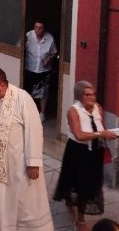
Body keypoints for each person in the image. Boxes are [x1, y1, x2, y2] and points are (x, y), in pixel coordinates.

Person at [0, 66, 54, 231]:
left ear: (2, 85)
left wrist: (33, 162)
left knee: (22, 202)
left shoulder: (22, 99)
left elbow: (34, 130)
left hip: (17, 165)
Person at [53, 81, 117, 231]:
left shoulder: (98, 109)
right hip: (78, 151)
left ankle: (75, 204)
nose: (92, 97)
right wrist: (102, 133)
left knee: (91, 183)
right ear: (79, 96)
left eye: (93, 94)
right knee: (79, 182)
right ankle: (80, 220)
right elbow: (79, 135)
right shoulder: (73, 111)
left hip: (95, 152)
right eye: (87, 95)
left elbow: (100, 128)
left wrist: (109, 135)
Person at [24, 19, 58, 122]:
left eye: (40, 28)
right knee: (30, 92)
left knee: (43, 93)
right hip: (30, 68)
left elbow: (54, 52)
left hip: (44, 70)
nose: (37, 30)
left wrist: (48, 59)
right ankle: (31, 112)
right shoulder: (28, 36)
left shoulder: (50, 38)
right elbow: (22, 48)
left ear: (44, 29)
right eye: (36, 27)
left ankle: (42, 113)